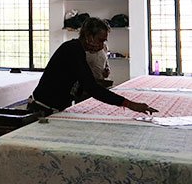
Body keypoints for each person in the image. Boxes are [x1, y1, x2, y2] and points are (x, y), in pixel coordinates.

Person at [28, 17, 157, 115]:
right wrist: (129, 104)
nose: (101, 45)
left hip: (53, 107)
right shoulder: (72, 50)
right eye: (101, 40)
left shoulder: (77, 50)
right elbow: (91, 87)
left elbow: (83, 84)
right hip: (42, 109)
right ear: (89, 37)